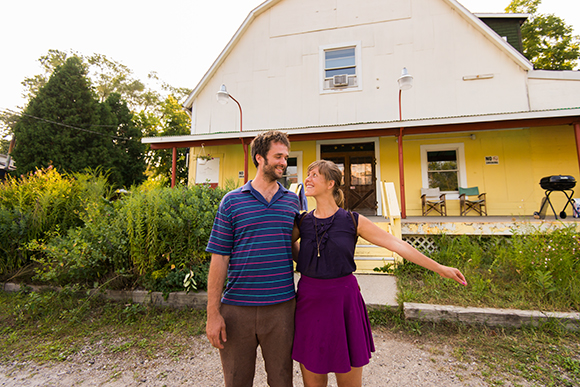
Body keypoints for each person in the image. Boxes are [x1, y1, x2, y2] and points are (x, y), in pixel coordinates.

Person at [292, 160, 467, 387]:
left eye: (314, 174)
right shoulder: (302, 221)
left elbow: (397, 244)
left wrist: (439, 268)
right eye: (308, 174)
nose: (308, 179)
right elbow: (284, 247)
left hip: (344, 303)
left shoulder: (353, 221)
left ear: (330, 183)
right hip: (309, 304)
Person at [205, 130, 300, 387]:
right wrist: (213, 314)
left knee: (282, 380)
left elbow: (293, 247)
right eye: (278, 156)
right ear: (259, 158)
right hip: (237, 310)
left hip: (282, 308)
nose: (283, 162)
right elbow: (219, 259)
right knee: (237, 381)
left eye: (286, 157)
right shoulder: (232, 202)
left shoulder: (292, 201)